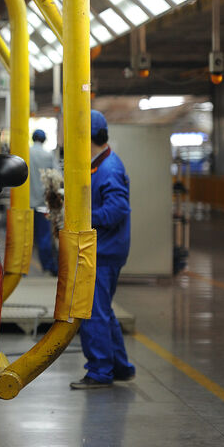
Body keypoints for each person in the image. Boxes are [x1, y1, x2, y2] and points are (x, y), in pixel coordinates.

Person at [71, 110, 136, 390]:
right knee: (103, 310)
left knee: (93, 312)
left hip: (105, 252)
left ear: (88, 137)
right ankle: (120, 366)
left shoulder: (109, 168)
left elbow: (117, 209)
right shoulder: (98, 164)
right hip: (104, 249)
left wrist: (81, 217)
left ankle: (100, 371)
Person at [29, 129, 59, 275]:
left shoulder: (25, 152)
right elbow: (57, 176)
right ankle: (47, 266)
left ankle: (20, 269)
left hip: (25, 203)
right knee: (44, 237)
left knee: (24, 236)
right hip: (42, 203)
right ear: (44, 139)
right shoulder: (48, 155)